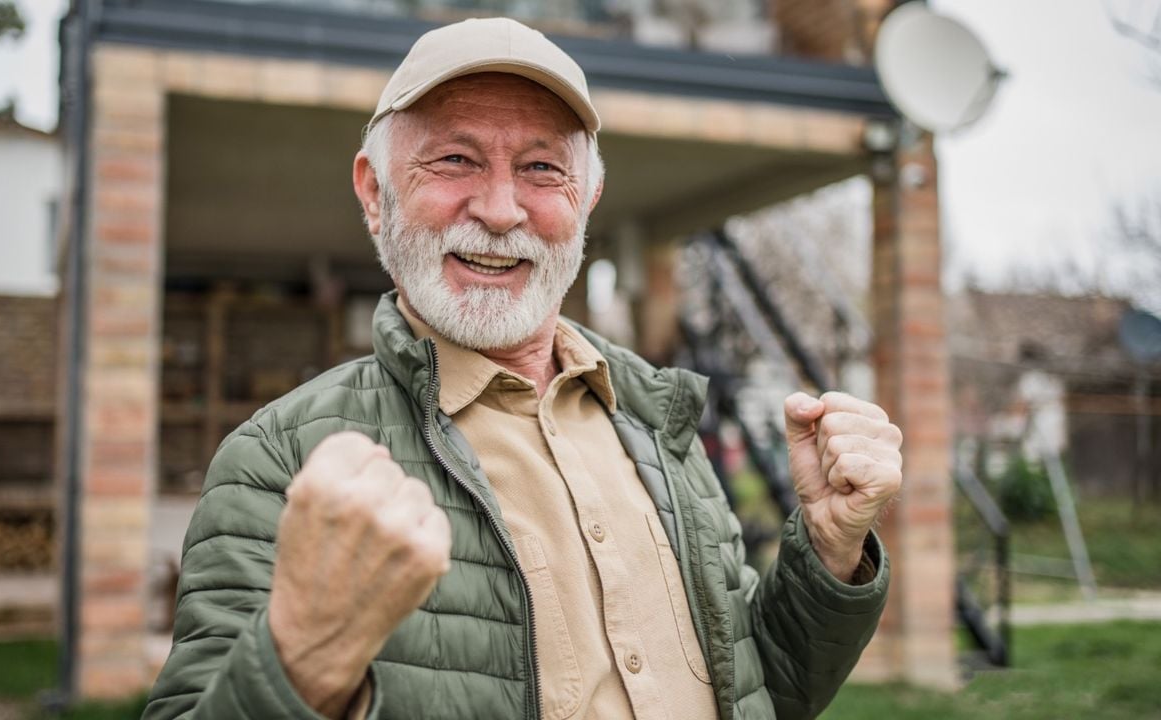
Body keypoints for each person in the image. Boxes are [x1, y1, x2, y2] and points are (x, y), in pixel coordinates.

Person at [144, 16, 902, 720]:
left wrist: (830, 548)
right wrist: (302, 660)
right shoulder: (275, 460)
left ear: (588, 198)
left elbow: (758, 689)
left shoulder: (656, 420)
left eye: (542, 168)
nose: (502, 209)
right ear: (375, 193)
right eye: (454, 159)